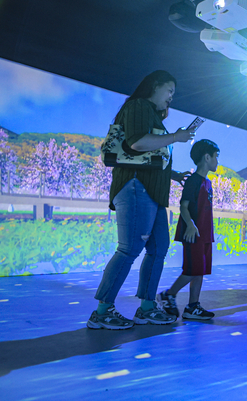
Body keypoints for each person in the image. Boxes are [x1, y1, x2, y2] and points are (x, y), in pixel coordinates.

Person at [87, 70, 196, 330]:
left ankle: (147, 307)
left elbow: (149, 158)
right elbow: (136, 143)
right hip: (136, 187)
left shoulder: (151, 114)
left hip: (152, 192)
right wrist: (176, 137)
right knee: (129, 249)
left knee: (158, 248)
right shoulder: (139, 106)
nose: (171, 97)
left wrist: (173, 175)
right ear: (155, 86)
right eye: (169, 90)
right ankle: (102, 312)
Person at [157, 139, 219, 320]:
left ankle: (193, 306)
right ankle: (168, 294)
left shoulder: (208, 182)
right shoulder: (193, 181)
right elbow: (183, 206)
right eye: (216, 156)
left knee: (200, 270)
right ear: (207, 157)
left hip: (205, 234)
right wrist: (191, 225)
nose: (217, 161)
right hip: (193, 234)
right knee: (192, 270)